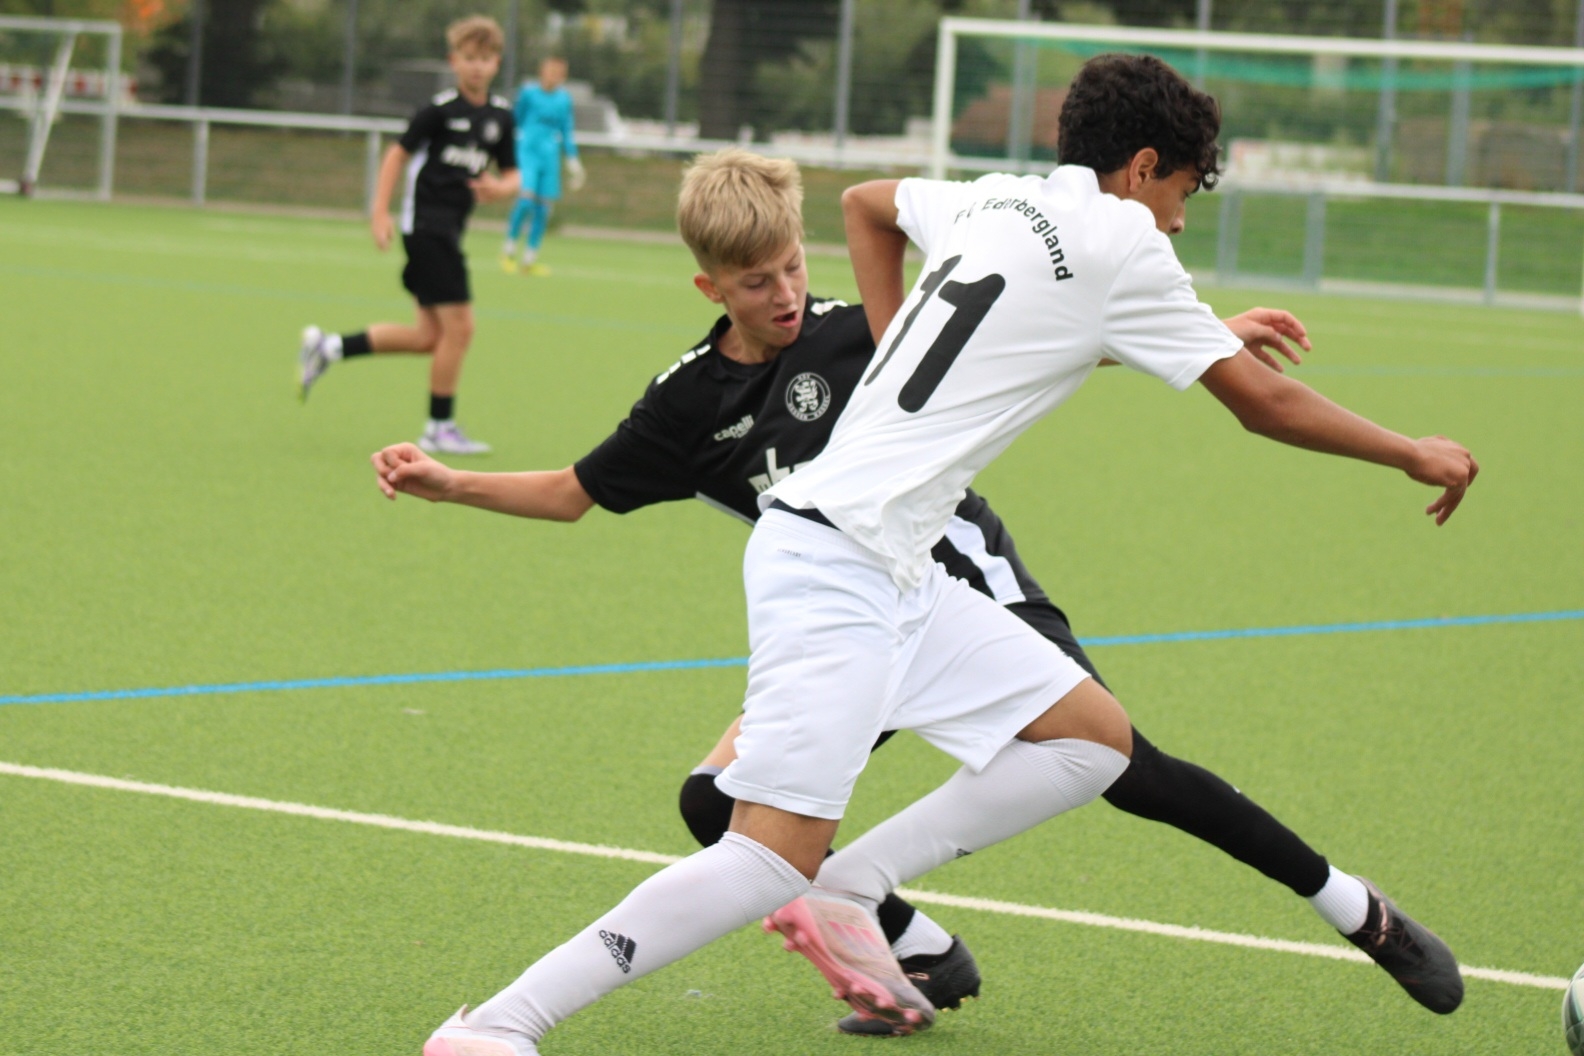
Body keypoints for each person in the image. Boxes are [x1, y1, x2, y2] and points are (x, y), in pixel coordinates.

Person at [377, 130, 1471, 1054]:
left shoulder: (937, 257)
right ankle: (500, 1028)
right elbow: (580, 489)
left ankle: (860, 893)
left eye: (791, 269)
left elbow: (962, 288)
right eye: (756, 281)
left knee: (1097, 742)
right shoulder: (693, 396)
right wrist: (452, 484)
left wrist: (1192, 340)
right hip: (834, 569)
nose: (785, 293)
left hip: (918, 570)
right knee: (756, 851)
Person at [297, 15, 518, 456]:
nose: (476, 66)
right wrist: (379, 212)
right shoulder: (438, 111)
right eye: (469, 58)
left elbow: (514, 174)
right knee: (461, 329)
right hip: (427, 229)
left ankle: (329, 347)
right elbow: (396, 156)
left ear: (497, 62)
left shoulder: (500, 117)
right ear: (454, 61)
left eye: (485, 58)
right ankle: (439, 427)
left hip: (448, 231)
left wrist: (502, 188)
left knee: (428, 337)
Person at [501, 56, 584, 276]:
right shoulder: (528, 93)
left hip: (550, 157)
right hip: (527, 152)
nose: (554, 77)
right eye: (551, 71)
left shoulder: (564, 100)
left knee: (543, 209)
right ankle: (508, 250)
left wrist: (573, 160)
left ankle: (529, 259)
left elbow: (566, 130)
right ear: (542, 72)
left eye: (559, 73)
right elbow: (515, 121)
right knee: (525, 200)